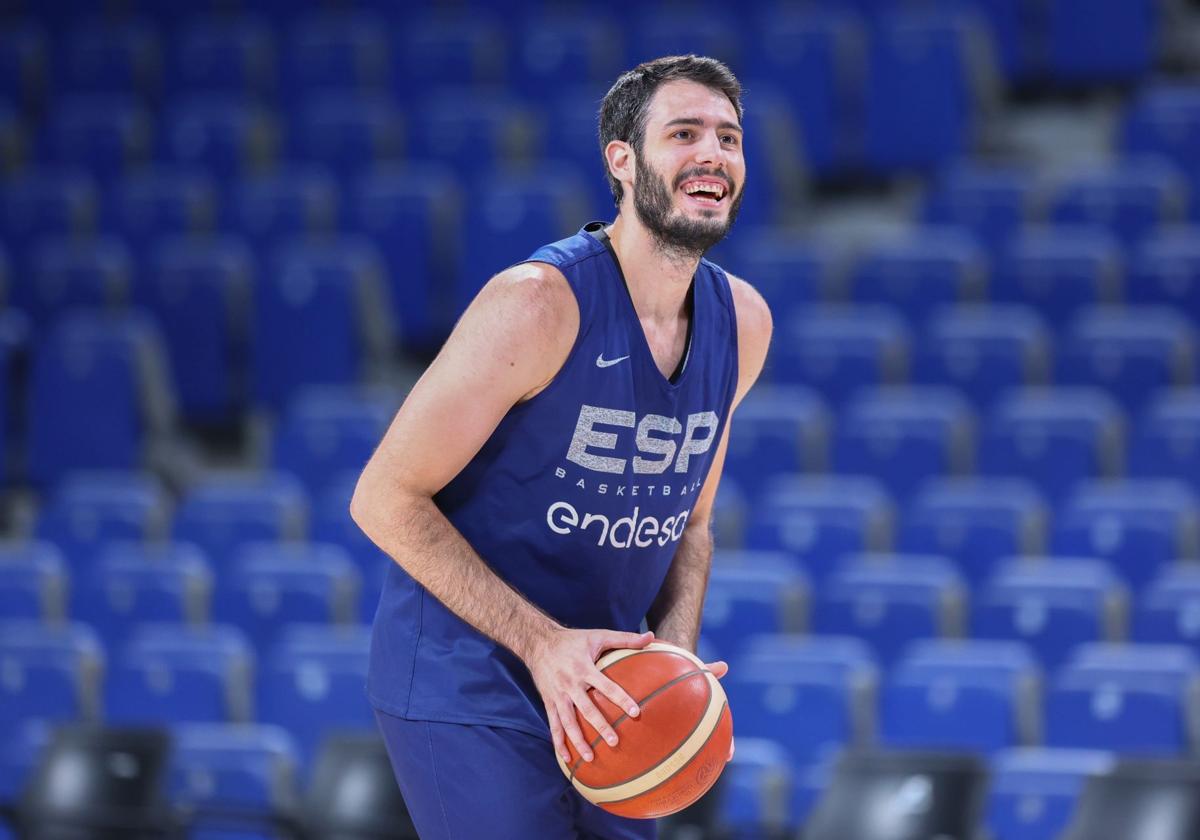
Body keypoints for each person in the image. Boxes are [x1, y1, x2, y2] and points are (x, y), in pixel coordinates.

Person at [350, 54, 772, 839]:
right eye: (684, 134)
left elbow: (691, 524)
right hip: (470, 677)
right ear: (623, 161)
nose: (713, 154)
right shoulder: (537, 305)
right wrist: (543, 647)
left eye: (729, 138)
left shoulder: (744, 323)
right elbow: (382, 497)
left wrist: (673, 666)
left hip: (612, 687)